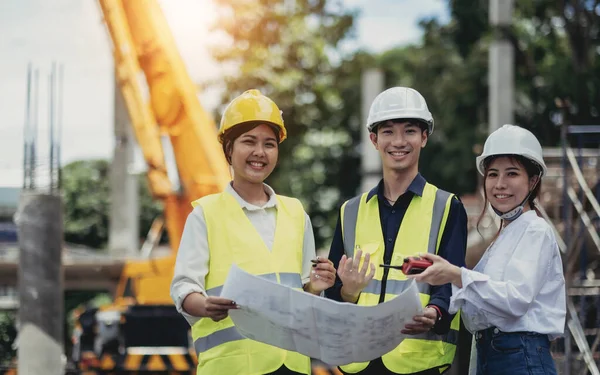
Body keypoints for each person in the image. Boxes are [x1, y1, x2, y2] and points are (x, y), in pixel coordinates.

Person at [170, 89, 336, 375]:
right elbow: (184, 288)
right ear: (229, 150)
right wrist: (205, 305)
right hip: (230, 367)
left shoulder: (296, 213)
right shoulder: (205, 215)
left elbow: (306, 294)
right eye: (249, 141)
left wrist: (316, 286)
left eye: (269, 144)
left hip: (292, 365)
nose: (260, 152)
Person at [325, 87, 468, 374]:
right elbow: (332, 294)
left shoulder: (447, 207)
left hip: (418, 363)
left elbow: (453, 284)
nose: (399, 141)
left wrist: (435, 312)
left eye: (410, 131)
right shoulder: (349, 212)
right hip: (359, 362)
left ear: (424, 137)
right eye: (388, 131)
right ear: (374, 140)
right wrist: (348, 293)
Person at [408, 124, 566, 375]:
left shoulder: (536, 230)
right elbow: (479, 307)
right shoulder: (503, 238)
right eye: (492, 174)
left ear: (533, 180)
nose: (500, 184)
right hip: (492, 353)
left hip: (520, 356)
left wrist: (454, 274)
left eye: (512, 174)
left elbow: (515, 300)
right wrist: (435, 310)